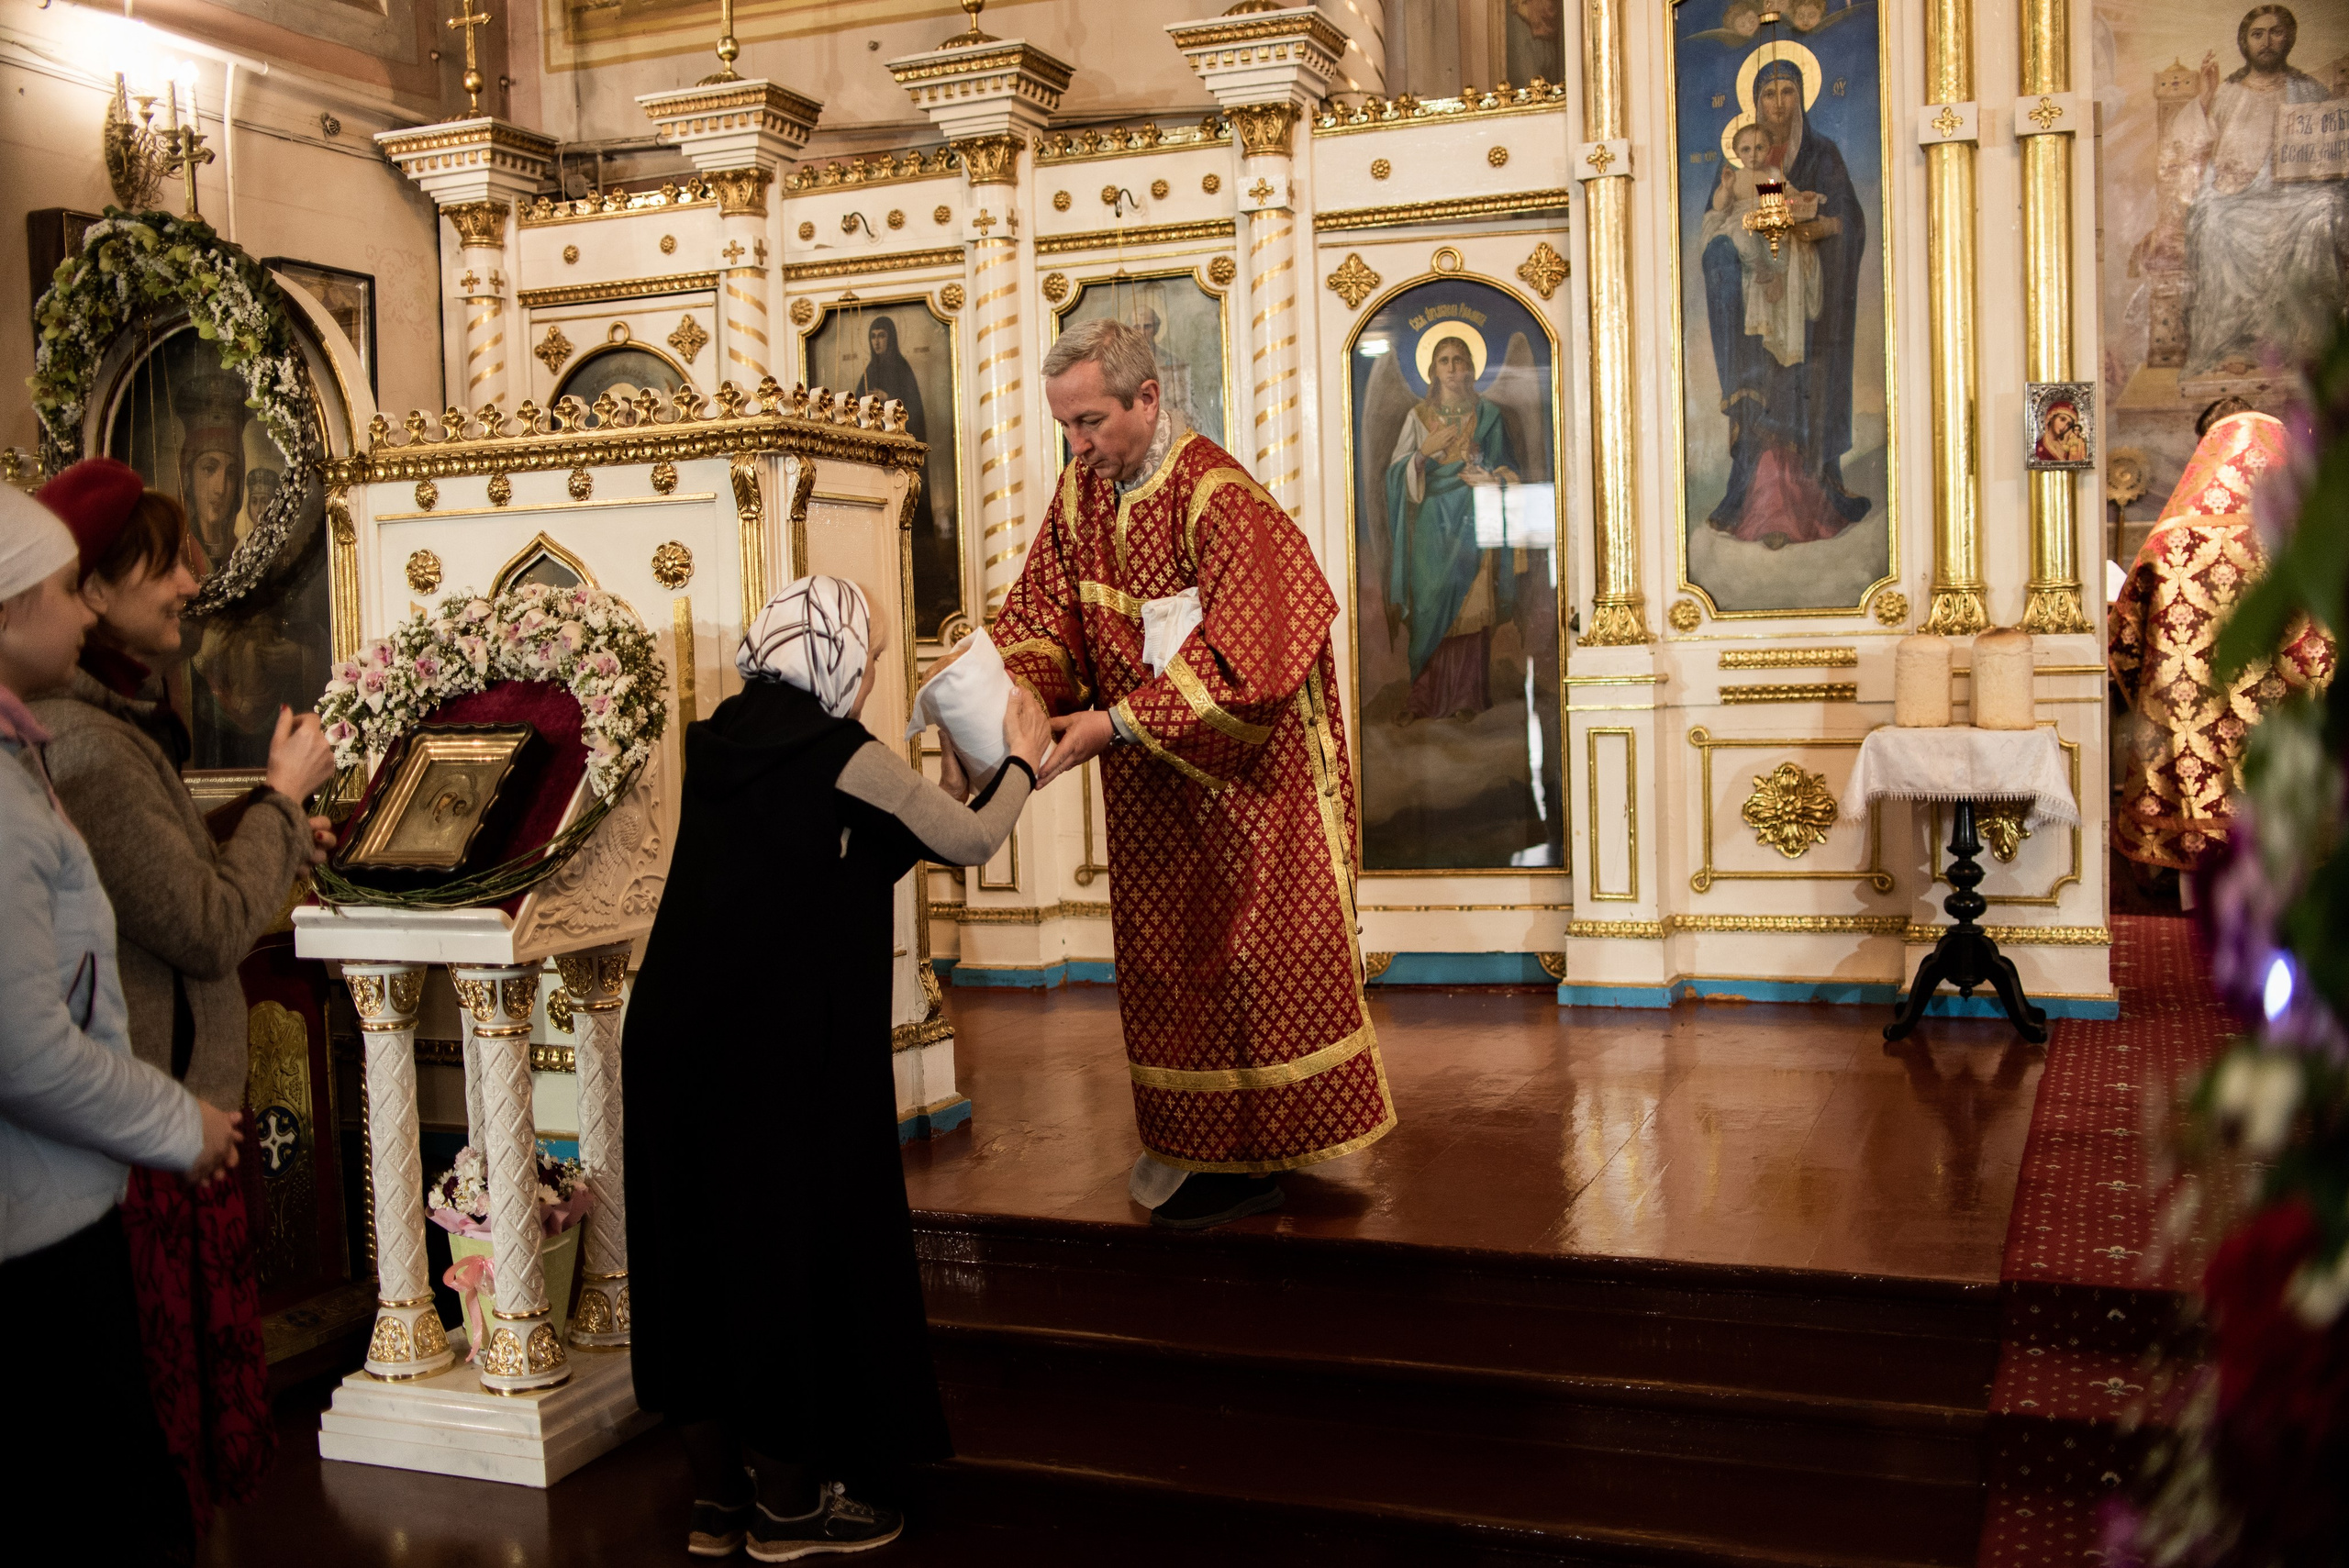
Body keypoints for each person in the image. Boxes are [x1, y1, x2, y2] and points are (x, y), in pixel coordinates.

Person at [623, 575, 1048, 1562]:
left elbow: (818, 858)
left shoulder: (724, 732)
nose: (868, 687)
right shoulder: (841, 752)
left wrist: (937, 785)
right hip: (770, 1054)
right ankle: (790, 1506)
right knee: (783, 1245)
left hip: (672, 1038)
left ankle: (717, 1500)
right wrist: (1019, 758)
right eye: (873, 661)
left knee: (691, 1248)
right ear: (840, 656)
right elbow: (977, 839)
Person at [993, 317, 1398, 1230]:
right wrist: (1017, 686)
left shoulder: (1218, 498)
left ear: (1149, 398)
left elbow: (1250, 656)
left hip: (1250, 784)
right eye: (1066, 426)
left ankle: (1255, 1148)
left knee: (1248, 960)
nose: (1078, 445)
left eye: (1091, 421)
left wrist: (1116, 721)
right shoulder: (1079, 496)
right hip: (1149, 783)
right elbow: (1041, 614)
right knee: (1167, 960)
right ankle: (1195, 1144)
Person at [27, 457, 337, 1539]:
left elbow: (150, 891)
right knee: (151, 1451)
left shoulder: (106, 734)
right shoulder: (93, 750)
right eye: (167, 561)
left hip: (154, 1129)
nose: (194, 579)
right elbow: (205, 923)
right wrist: (281, 800)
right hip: (147, 1135)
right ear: (91, 589)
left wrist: (263, 828)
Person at [0, 480, 245, 1563]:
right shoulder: (72, 751)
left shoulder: (36, 750)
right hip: (58, 1199)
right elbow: (31, 1043)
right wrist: (177, 1119)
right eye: (65, 591)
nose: (85, 615)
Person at [2110, 409, 2335, 874]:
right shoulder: (2306, 536)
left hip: (2191, 716)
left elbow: (2126, 636)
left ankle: (2193, 890)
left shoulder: (2169, 542)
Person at [1699, 56, 1869, 545]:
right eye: (1768, 94)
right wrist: (1739, 267)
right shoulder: (1735, 167)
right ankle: (1758, 505)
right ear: (1754, 103)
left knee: (1802, 387)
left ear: (1801, 97)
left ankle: (1812, 503)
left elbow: (1847, 223)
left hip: (1808, 307)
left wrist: (1819, 227)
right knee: (1763, 396)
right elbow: (1715, 233)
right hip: (1756, 310)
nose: (1778, 103)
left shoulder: (1824, 155)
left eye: (1787, 92)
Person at [2150, 6, 2345, 378]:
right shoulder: (2226, 93)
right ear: (2246, 42)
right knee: (2214, 222)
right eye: (2258, 34)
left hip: (2294, 199)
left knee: (2323, 212)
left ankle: (2304, 342)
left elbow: (2331, 155)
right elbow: (2184, 146)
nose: (2267, 41)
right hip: (2234, 195)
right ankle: (2233, 344)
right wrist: (2205, 97)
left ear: (2289, 38)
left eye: (2275, 32)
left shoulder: (2311, 91)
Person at [1384, 333, 1521, 723]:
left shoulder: (1489, 417)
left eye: (1459, 360)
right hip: (1430, 527)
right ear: (1432, 370)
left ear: (1472, 369)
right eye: (1443, 360)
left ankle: (1467, 697)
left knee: (1472, 607)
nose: (1452, 368)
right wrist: (1423, 454)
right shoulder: (1417, 418)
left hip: (1474, 521)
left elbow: (1511, 471)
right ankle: (1422, 699)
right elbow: (1395, 477)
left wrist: (1493, 480)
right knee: (1430, 603)